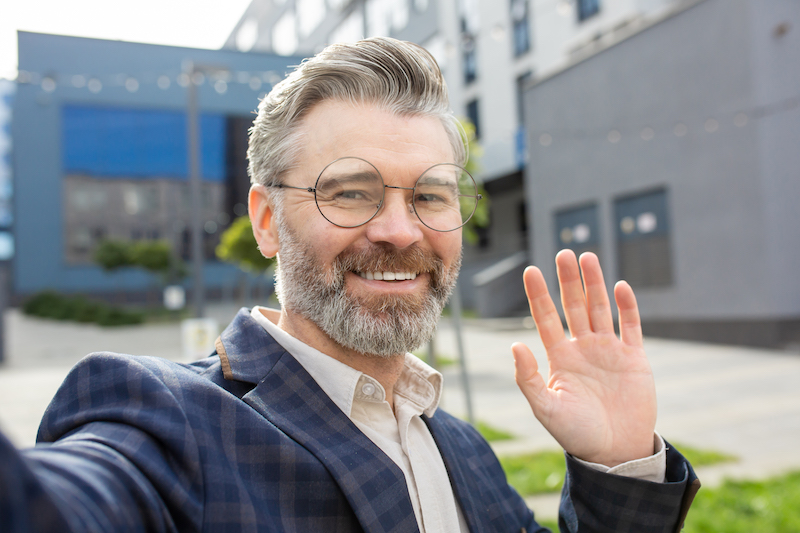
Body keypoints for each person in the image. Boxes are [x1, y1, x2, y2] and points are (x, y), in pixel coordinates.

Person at [0, 38, 698, 532]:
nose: (400, 231)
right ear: (268, 220)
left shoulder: (461, 447)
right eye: (352, 192)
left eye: (430, 195)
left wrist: (616, 462)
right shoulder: (169, 426)